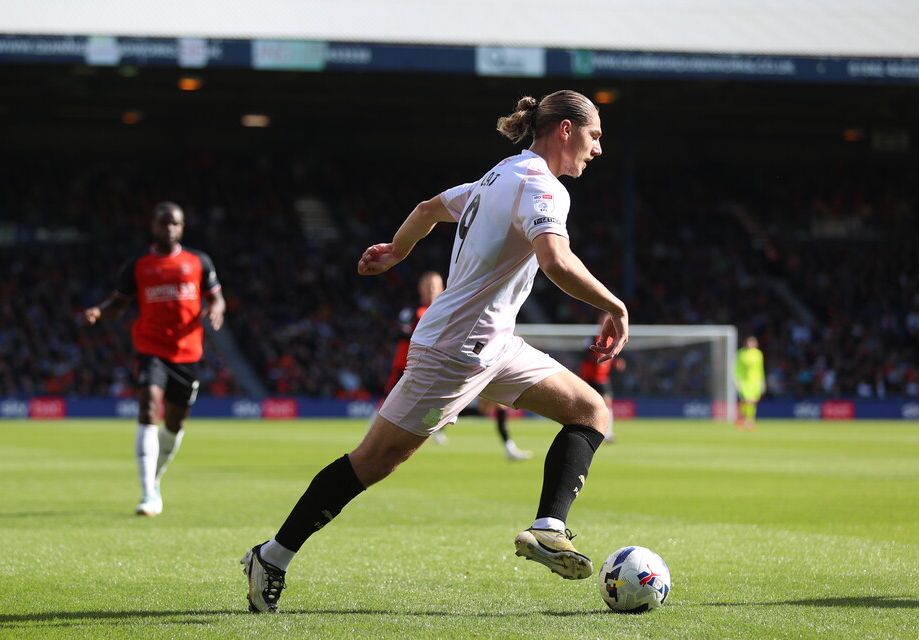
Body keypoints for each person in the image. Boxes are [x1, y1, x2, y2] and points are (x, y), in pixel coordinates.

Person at [241, 90, 629, 613]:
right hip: (455, 350)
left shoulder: (498, 176)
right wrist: (614, 306)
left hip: (494, 344)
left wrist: (397, 250)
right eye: (594, 135)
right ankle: (271, 557)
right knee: (375, 460)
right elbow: (555, 261)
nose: (598, 148)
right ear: (565, 129)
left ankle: (548, 527)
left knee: (590, 410)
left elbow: (429, 209)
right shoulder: (542, 187)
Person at [83, 201, 225, 517]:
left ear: (182, 227)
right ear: (153, 226)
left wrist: (216, 310)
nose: (169, 228)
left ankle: (155, 479)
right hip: (151, 349)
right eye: (164, 223)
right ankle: (148, 492)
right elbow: (118, 304)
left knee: (175, 424)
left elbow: (217, 298)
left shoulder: (199, 261)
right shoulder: (138, 266)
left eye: (175, 223)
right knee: (148, 406)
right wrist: (99, 312)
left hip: (187, 353)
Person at [385, 271, 531, 459]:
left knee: (482, 405)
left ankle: (507, 447)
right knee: (399, 405)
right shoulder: (414, 311)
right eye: (428, 285)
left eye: (435, 286)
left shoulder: (451, 309)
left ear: (442, 287)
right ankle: (390, 435)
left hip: (452, 363)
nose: (432, 289)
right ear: (420, 288)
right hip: (410, 365)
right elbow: (397, 332)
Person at [578, 318, 627, 443]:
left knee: (607, 404)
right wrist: (595, 360)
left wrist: (616, 363)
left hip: (603, 378)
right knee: (587, 404)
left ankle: (607, 434)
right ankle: (584, 431)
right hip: (589, 377)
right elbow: (583, 354)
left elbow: (611, 358)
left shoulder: (612, 340)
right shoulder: (591, 338)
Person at [734, 335, 766, 430]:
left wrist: (762, 381)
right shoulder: (741, 353)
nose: (750, 344)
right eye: (749, 342)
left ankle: (746, 419)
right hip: (744, 381)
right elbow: (737, 367)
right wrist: (737, 380)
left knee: (751, 402)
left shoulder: (758, 354)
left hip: (755, 381)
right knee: (747, 400)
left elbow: (760, 368)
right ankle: (747, 420)